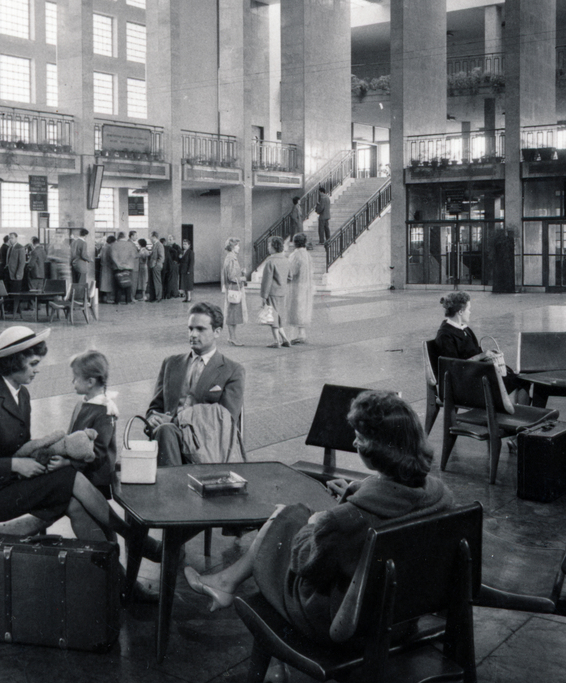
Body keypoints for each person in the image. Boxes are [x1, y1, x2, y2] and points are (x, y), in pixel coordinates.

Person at [181, 391, 455, 644]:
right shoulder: (441, 496)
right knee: (289, 516)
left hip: (340, 623)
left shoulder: (346, 521)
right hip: (398, 620)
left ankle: (226, 583)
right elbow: (392, 498)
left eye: (359, 438)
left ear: (375, 451)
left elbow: (307, 566)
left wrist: (314, 524)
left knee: (288, 515)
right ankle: (226, 582)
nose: (354, 442)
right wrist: (355, 491)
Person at [0, 326, 158, 560]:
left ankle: (113, 581)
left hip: (8, 485)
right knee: (68, 476)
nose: (38, 370)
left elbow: (19, 447)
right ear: (12, 363)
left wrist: (37, 458)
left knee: (75, 503)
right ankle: (131, 536)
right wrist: (16, 465)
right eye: (33, 364)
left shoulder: (21, 394)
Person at [144, 302, 246, 466]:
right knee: (165, 431)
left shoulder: (232, 370)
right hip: (168, 440)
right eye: (190, 328)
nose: (193, 334)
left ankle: (173, 487)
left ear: (217, 332)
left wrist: (174, 421)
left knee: (166, 430)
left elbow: (225, 421)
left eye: (200, 329)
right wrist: (153, 418)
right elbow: (154, 408)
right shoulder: (171, 363)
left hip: (207, 447)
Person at [432, 290, 529, 397]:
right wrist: (482, 355)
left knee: (520, 379)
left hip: (474, 376)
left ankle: (516, 411)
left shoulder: (464, 329)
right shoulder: (445, 335)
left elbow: (474, 353)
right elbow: (454, 367)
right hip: (462, 384)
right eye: (468, 309)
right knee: (519, 381)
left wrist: (489, 355)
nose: (470, 312)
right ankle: (516, 411)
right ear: (460, 312)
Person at [66, 350, 119, 492]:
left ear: (90, 382)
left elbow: (98, 453)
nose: (72, 382)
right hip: (79, 470)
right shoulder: (82, 404)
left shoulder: (105, 411)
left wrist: (67, 463)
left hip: (96, 477)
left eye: (76, 378)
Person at [259, 235, 291, 347]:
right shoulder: (286, 260)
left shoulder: (270, 261)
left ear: (273, 247)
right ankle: (285, 339)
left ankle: (277, 341)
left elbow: (266, 281)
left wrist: (263, 295)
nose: (268, 247)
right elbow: (290, 277)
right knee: (279, 315)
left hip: (272, 293)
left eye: (269, 244)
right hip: (282, 292)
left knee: (272, 317)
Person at [282, 234, 314, 344]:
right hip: (306, 285)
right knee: (303, 309)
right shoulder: (307, 255)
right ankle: (301, 332)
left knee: (294, 309)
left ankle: (295, 334)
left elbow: (291, 271)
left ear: (295, 242)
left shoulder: (295, 255)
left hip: (296, 286)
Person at [220, 238, 246, 346]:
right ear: (233, 246)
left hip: (233, 287)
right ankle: (232, 337)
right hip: (233, 287)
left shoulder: (231, 257)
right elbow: (231, 276)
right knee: (232, 313)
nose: (239, 247)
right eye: (237, 245)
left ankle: (232, 336)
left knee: (233, 312)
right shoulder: (231, 258)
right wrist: (242, 278)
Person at [148, 232, 164, 301]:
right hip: (152, 266)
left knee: (157, 282)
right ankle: (153, 297)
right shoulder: (154, 245)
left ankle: (158, 297)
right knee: (152, 282)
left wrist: (157, 265)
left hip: (156, 266)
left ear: (154, 237)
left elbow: (161, 257)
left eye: (151, 237)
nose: (150, 239)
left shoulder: (159, 245)